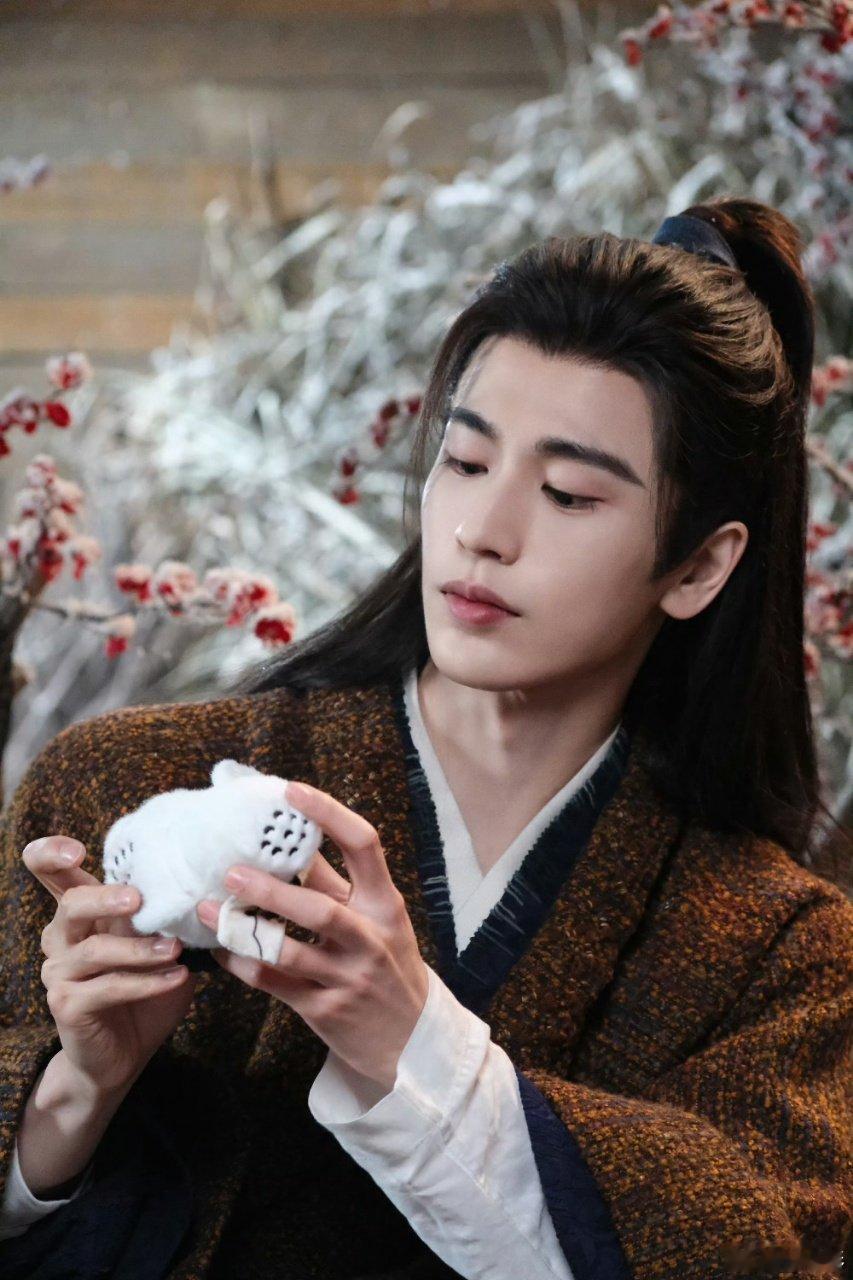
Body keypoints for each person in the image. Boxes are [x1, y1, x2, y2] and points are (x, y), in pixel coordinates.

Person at [0, 195, 850, 1280]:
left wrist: (413, 1046)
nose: (481, 532)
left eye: (568, 493)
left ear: (697, 566)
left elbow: (753, 1249)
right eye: (465, 460)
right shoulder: (122, 787)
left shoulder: (783, 955)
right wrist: (78, 1091)